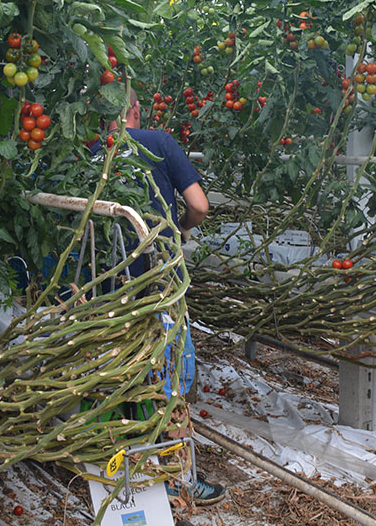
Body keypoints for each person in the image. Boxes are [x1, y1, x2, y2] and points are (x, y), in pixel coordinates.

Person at [105, 88, 225, 507]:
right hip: (157, 283)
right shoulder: (157, 142)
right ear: (137, 110)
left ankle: (117, 468)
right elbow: (199, 204)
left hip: (107, 286)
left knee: (121, 372)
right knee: (170, 377)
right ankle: (178, 483)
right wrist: (181, 226)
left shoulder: (89, 152)